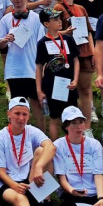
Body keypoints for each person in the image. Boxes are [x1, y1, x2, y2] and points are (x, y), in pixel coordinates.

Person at [0, 0, 45, 130]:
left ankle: (41, 133)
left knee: (37, 102)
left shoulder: (36, 18)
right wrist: (5, 40)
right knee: (18, 104)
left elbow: (41, 43)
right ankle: (18, 134)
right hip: (14, 69)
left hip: (32, 68)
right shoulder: (5, 19)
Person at [55, 0, 98, 124]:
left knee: (85, 89)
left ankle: (87, 127)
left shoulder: (81, 9)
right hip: (67, 54)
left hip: (85, 52)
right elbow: (53, 32)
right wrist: (66, 32)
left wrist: (93, 53)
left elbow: (89, 32)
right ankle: (68, 124)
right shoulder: (58, 8)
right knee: (67, 91)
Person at [35, 8, 80, 140]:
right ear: (46, 24)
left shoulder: (68, 39)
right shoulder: (42, 43)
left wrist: (76, 80)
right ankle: (54, 145)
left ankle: (73, 142)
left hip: (69, 84)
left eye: (59, 18)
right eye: (55, 20)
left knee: (72, 116)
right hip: (52, 85)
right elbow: (38, 67)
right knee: (54, 117)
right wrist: (39, 90)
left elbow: (76, 61)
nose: (59, 21)